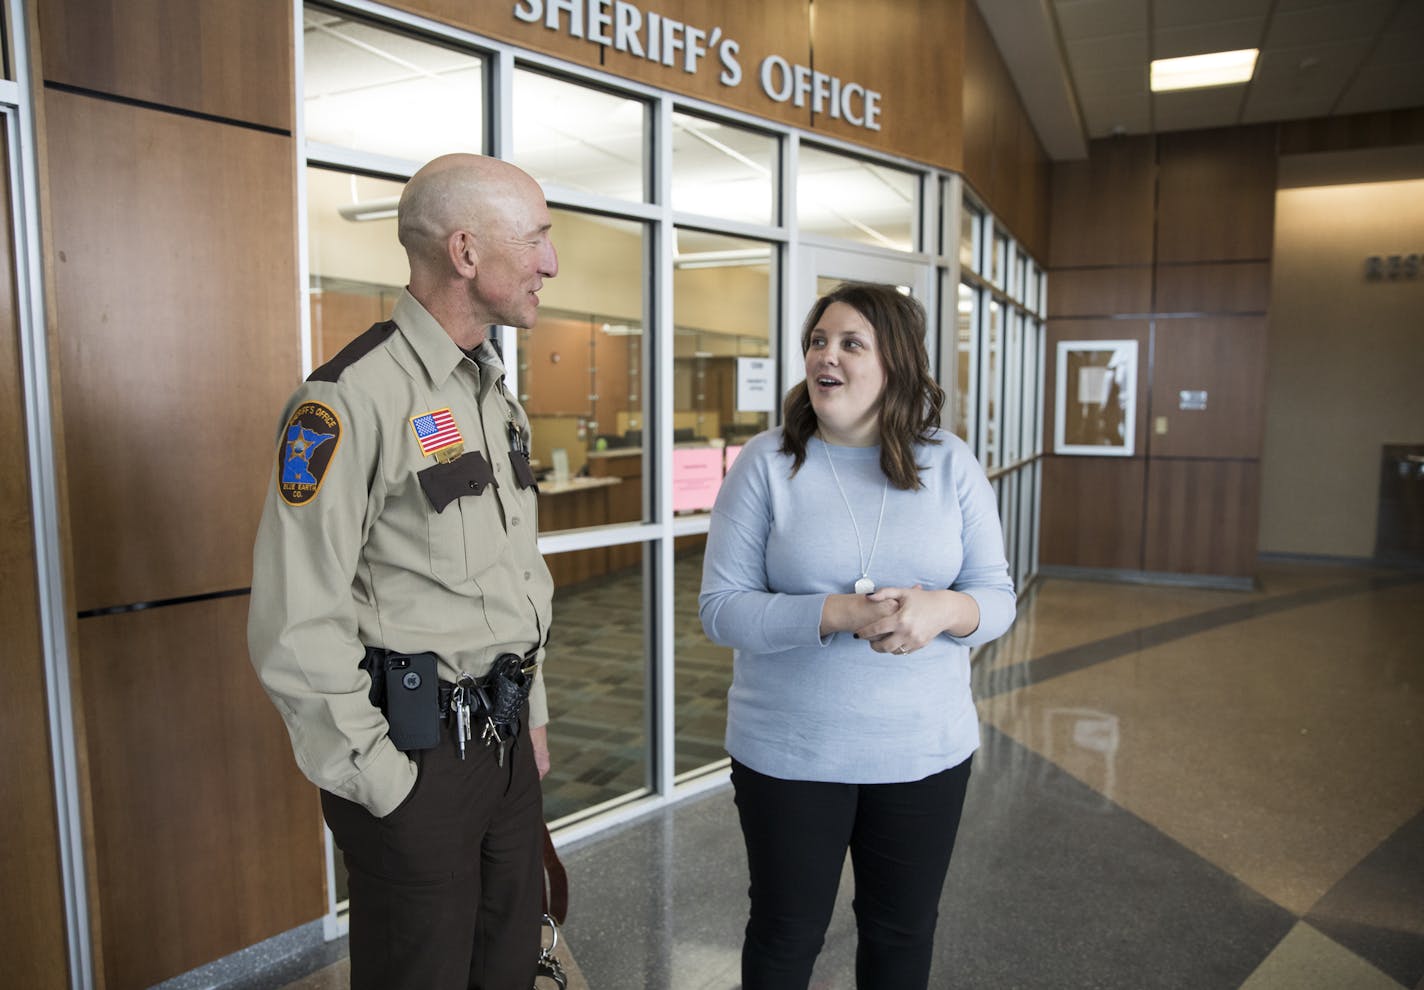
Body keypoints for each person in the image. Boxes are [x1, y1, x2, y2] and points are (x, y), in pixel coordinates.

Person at [248, 153, 559, 990]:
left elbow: (511, 577)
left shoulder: (492, 392)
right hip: (414, 762)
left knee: (507, 968)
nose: (550, 263)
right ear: (465, 253)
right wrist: (381, 783)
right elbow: (294, 620)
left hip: (502, 751)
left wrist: (530, 715)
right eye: (535, 238)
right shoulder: (346, 400)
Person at [699, 282, 1016, 989]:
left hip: (923, 753)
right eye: (817, 341)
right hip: (789, 755)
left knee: (902, 935)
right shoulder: (766, 463)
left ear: (895, 364)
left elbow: (997, 598)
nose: (826, 357)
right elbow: (720, 608)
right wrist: (833, 614)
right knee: (785, 936)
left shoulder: (950, 465)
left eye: (850, 343)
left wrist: (941, 611)